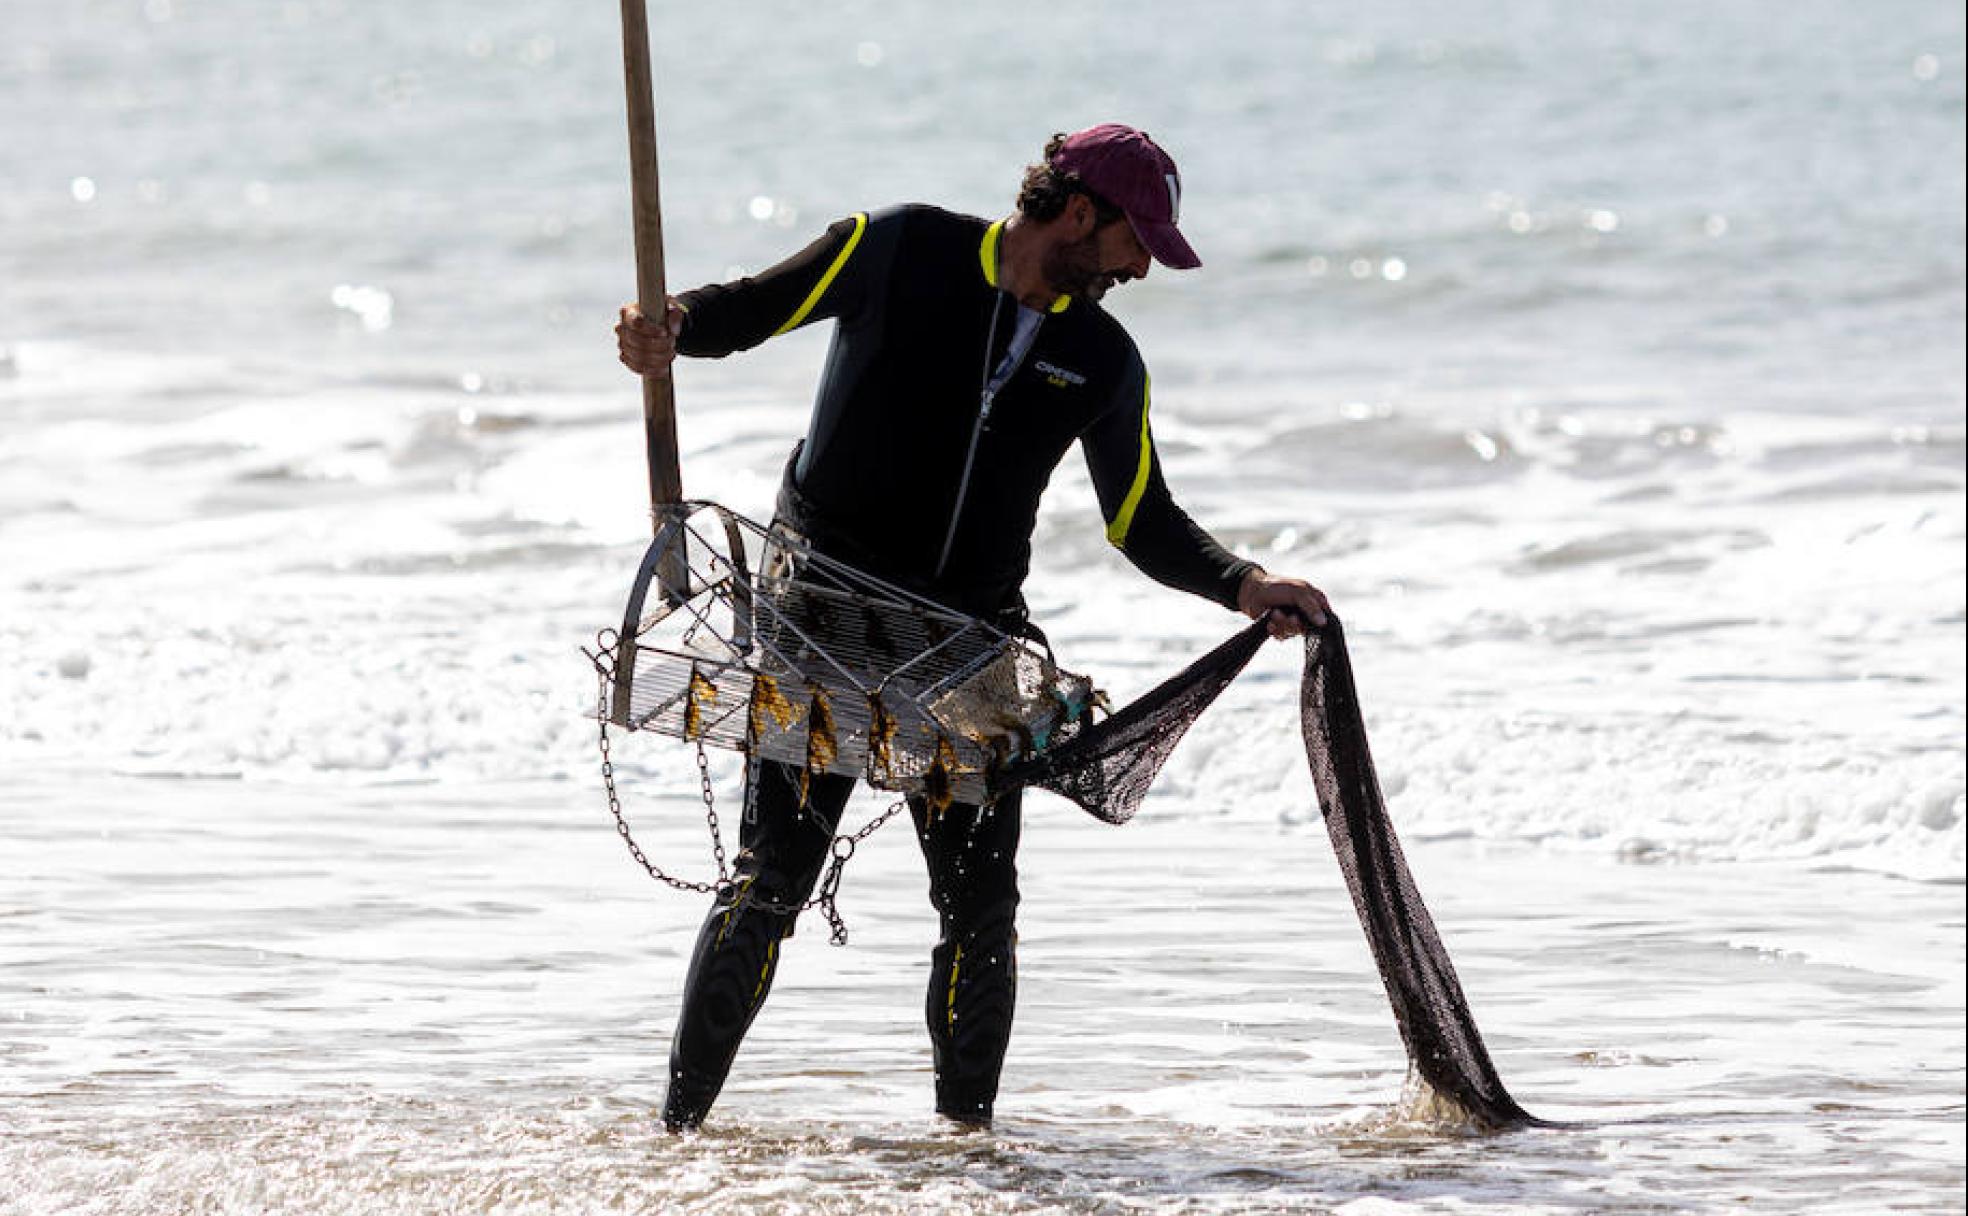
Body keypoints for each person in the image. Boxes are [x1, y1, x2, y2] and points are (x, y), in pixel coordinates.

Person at [615, 123, 1331, 1130]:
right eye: (1136, 241)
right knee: (770, 881)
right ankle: (677, 1137)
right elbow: (748, 311)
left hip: (967, 655)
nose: (1140, 267)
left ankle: (970, 1156)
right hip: (820, 621)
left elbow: (1142, 520)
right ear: (1077, 211)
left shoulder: (1104, 360)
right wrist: (671, 325)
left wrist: (1246, 584)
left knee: (981, 912)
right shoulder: (896, 247)